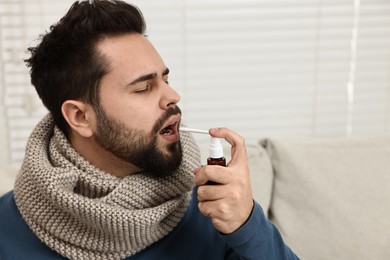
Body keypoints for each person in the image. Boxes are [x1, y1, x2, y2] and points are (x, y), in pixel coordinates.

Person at [0, 1, 299, 259]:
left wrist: (247, 223)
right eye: (144, 88)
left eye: (166, 80)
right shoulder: (6, 232)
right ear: (80, 116)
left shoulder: (213, 206)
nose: (172, 96)